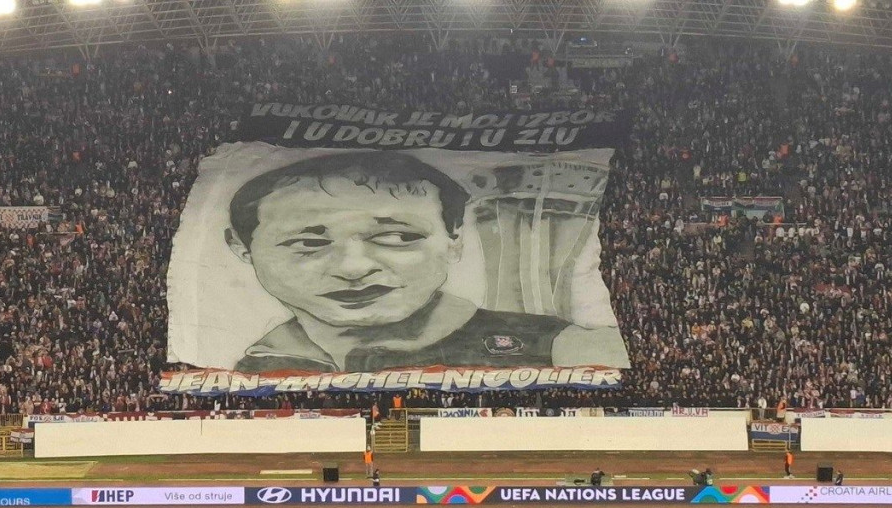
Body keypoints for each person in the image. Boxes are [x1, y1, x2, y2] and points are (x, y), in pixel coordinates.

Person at [225, 151, 629, 373]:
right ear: (243, 249)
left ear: (455, 241)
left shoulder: (563, 349)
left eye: (397, 237)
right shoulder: (252, 362)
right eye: (307, 243)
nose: (354, 268)